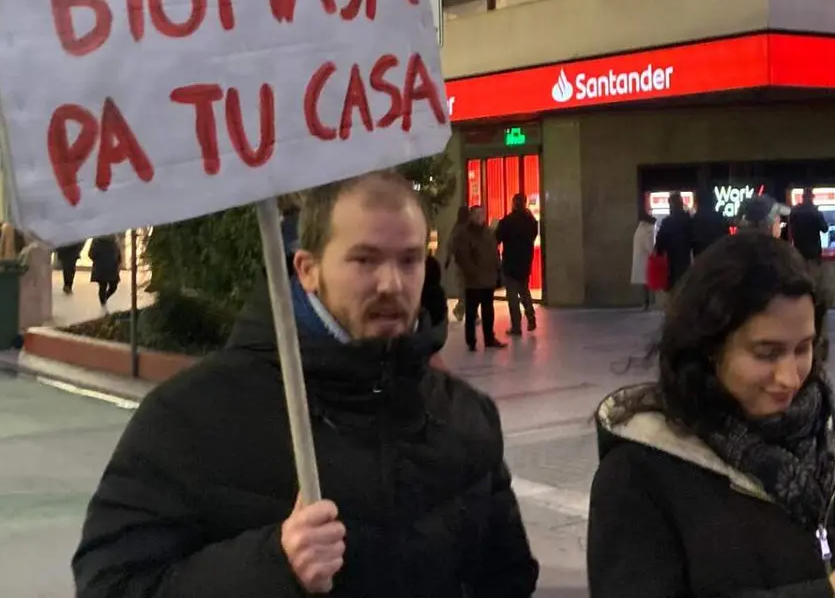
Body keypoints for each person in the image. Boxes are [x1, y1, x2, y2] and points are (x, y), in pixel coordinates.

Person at [72, 170, 539, 597]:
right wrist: (272, 565)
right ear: (307, 270)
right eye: (365, 260)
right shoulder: (189, 417)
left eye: (410, 260)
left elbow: (508, 578)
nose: (391, 284)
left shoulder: (465, 416)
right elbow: (111, 583)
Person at [587, 231, 835, 598]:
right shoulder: (639, 475)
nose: (790, 378)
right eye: (766, 353)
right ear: (707, 349)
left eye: (803, 348)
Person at [452, 205, 507, 352]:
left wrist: (498, 268)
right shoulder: (464, 234)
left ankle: (489, 338)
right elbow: (462, 257)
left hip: (488, 278)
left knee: (488, 310)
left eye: (481, 214)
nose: (479, 217)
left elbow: (494, 253)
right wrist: (473, 272)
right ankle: (471, 340)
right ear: (471, 216)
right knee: (471, 311)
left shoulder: (489, 233)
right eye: (476, 214)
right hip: (473, 281)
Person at [496, 193, 539, 335]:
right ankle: (531, 317)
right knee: (524, 291)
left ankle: (516, 326)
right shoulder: (531, 221)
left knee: (512, 296)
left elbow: (496, 239)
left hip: (510, 262)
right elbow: (533, 235)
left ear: (513, 203)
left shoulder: (507, 222)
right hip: (525, 261)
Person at [653, 192, 693, 292]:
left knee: (674, 285)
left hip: (671, 260)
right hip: (686, 257)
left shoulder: (667, 222)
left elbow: (660, 242)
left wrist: (659, 252)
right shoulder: (688, 220)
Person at [787, 189, 828, 266]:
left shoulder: (795, 211)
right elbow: (825, 229)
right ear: (812, 198)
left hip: (799, 249)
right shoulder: (816, 212)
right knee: (814, 272)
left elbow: (790, 225)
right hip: (814, 250)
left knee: (800, 271)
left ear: (803, 198)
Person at [443, 205, 470, 322]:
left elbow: (450, 244)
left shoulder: (457, 228)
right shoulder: (469, 227)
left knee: (464, 288)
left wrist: (448, 259)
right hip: (469, 263)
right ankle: (461, 310)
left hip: (462, 262)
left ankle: (461, 310)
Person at [689, 188, 729, 258]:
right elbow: (726, 238)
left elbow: (690, 242)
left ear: (697, 201)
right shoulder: (720, 217)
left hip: (701, 260)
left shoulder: (693, 220)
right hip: (718, 258)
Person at [88, 235, 122, 311]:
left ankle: (104, 299)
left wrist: (118, 260)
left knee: (113, 286)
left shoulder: (114, 239)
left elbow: (118, 251)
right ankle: (103, 304)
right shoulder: (97, 240)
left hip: (111, 267)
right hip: (101, 267)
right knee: (103, 287)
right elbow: (91, 254)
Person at [631, 214, 657, 310]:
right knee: (649, 282)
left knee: (645, 283)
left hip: (641, 261)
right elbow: (650, 248)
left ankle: (646, 303)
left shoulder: (639, 230)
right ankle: (648, 303)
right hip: (648, 261)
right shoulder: (648, 231)